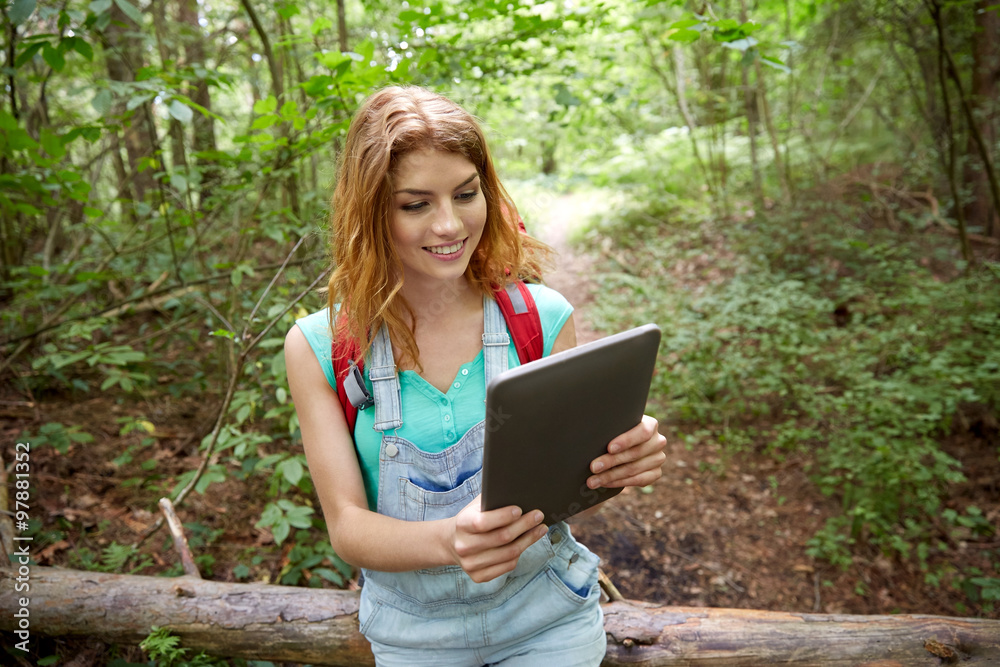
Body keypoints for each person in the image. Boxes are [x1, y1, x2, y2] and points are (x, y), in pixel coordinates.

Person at [284, 85, 667, 666]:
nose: (449, 224)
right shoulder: (322, 347)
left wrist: (619, 464)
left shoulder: (539, 319)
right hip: (413, 636)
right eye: (415, 204)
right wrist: (448, 541)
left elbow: (563, 490)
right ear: (370, 211)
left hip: (548, 617)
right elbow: (347, 528)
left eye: (466, 194)